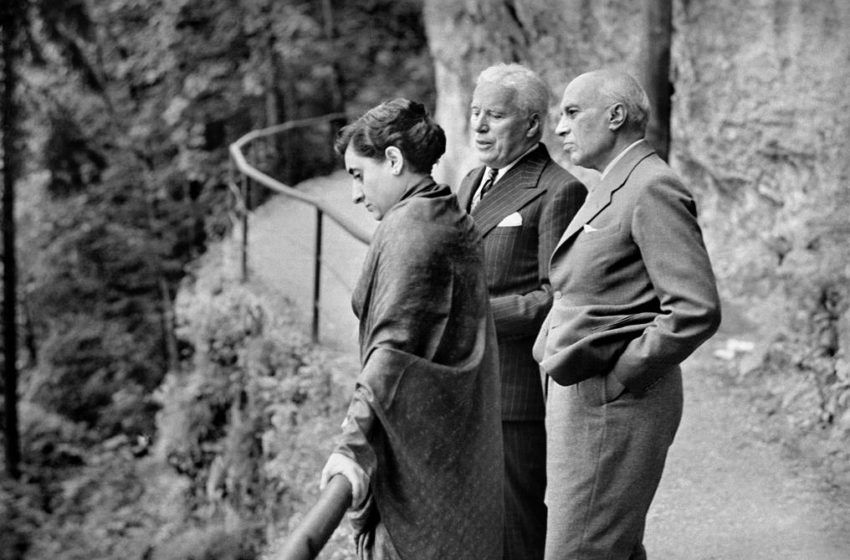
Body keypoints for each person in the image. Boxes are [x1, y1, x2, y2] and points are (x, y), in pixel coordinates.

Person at [532, 69, 722, 559]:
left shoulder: (651, 187)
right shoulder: (614, 182)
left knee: (580, 550)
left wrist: (623, 374)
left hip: (613, 404)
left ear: (616, 115)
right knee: (608, 546)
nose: (560, 127)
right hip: (591, 402)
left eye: (572, 112)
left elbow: (694, 309)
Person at [320, 98, 503, 560]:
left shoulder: (411, 230)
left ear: (395, 160)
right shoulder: (446, 212)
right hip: (454, 439)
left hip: (421, 455)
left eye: (359, 175)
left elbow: (392, 350)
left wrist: (352, 444)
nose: (356, 194)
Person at [457, 63, 586, 560]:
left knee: (518, 526)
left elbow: (556, 298)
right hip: (464, 385)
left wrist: (470, 317)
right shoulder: (470, 181)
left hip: (514, 394)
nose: (480, 126)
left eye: (495, 115)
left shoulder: (559, 189)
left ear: (532, 124)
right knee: (473, 522)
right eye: (475, 113)